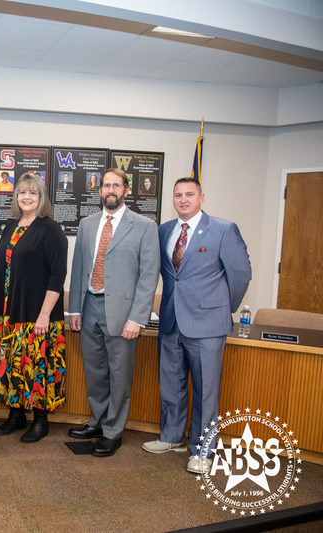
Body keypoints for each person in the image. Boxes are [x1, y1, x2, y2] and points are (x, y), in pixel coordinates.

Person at [142, 178, 251, 474]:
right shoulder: (164, 230)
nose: (183, 199)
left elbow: (240, 275)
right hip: (170, 322)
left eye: (189, 194)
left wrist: (220, 307)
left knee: (205, 391)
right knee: (171, 385)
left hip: (208, 325)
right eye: (178, 195)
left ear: (202, 197)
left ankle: (203, 450)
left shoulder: (223, 230)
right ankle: (171, 436)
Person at [66, 168, 159, 457]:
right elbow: (79, 267)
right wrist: (74, 310)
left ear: (126, 191)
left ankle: (113, 431)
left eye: (116, 185)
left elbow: (148, 275)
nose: (110, 190)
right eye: (106, 185)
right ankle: (97, 421)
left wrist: (137, 318)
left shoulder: (144, 226)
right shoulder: (87, 224)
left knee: (119, 374)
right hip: (90, 305)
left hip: (122, 311)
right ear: (100, 190)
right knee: (94, 372)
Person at [0, 173, 68, 443]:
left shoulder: (50, 229)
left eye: (33, 193)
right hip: (9, 313)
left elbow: (58, 276)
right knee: (11, 365)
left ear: (41, 197)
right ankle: (15, 414)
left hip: (37, 314)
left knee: (37, 366)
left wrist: (44, 314)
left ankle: (40, 420)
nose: (27, 197)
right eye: (22, 192)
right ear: (16, 197)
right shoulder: (10, 226)